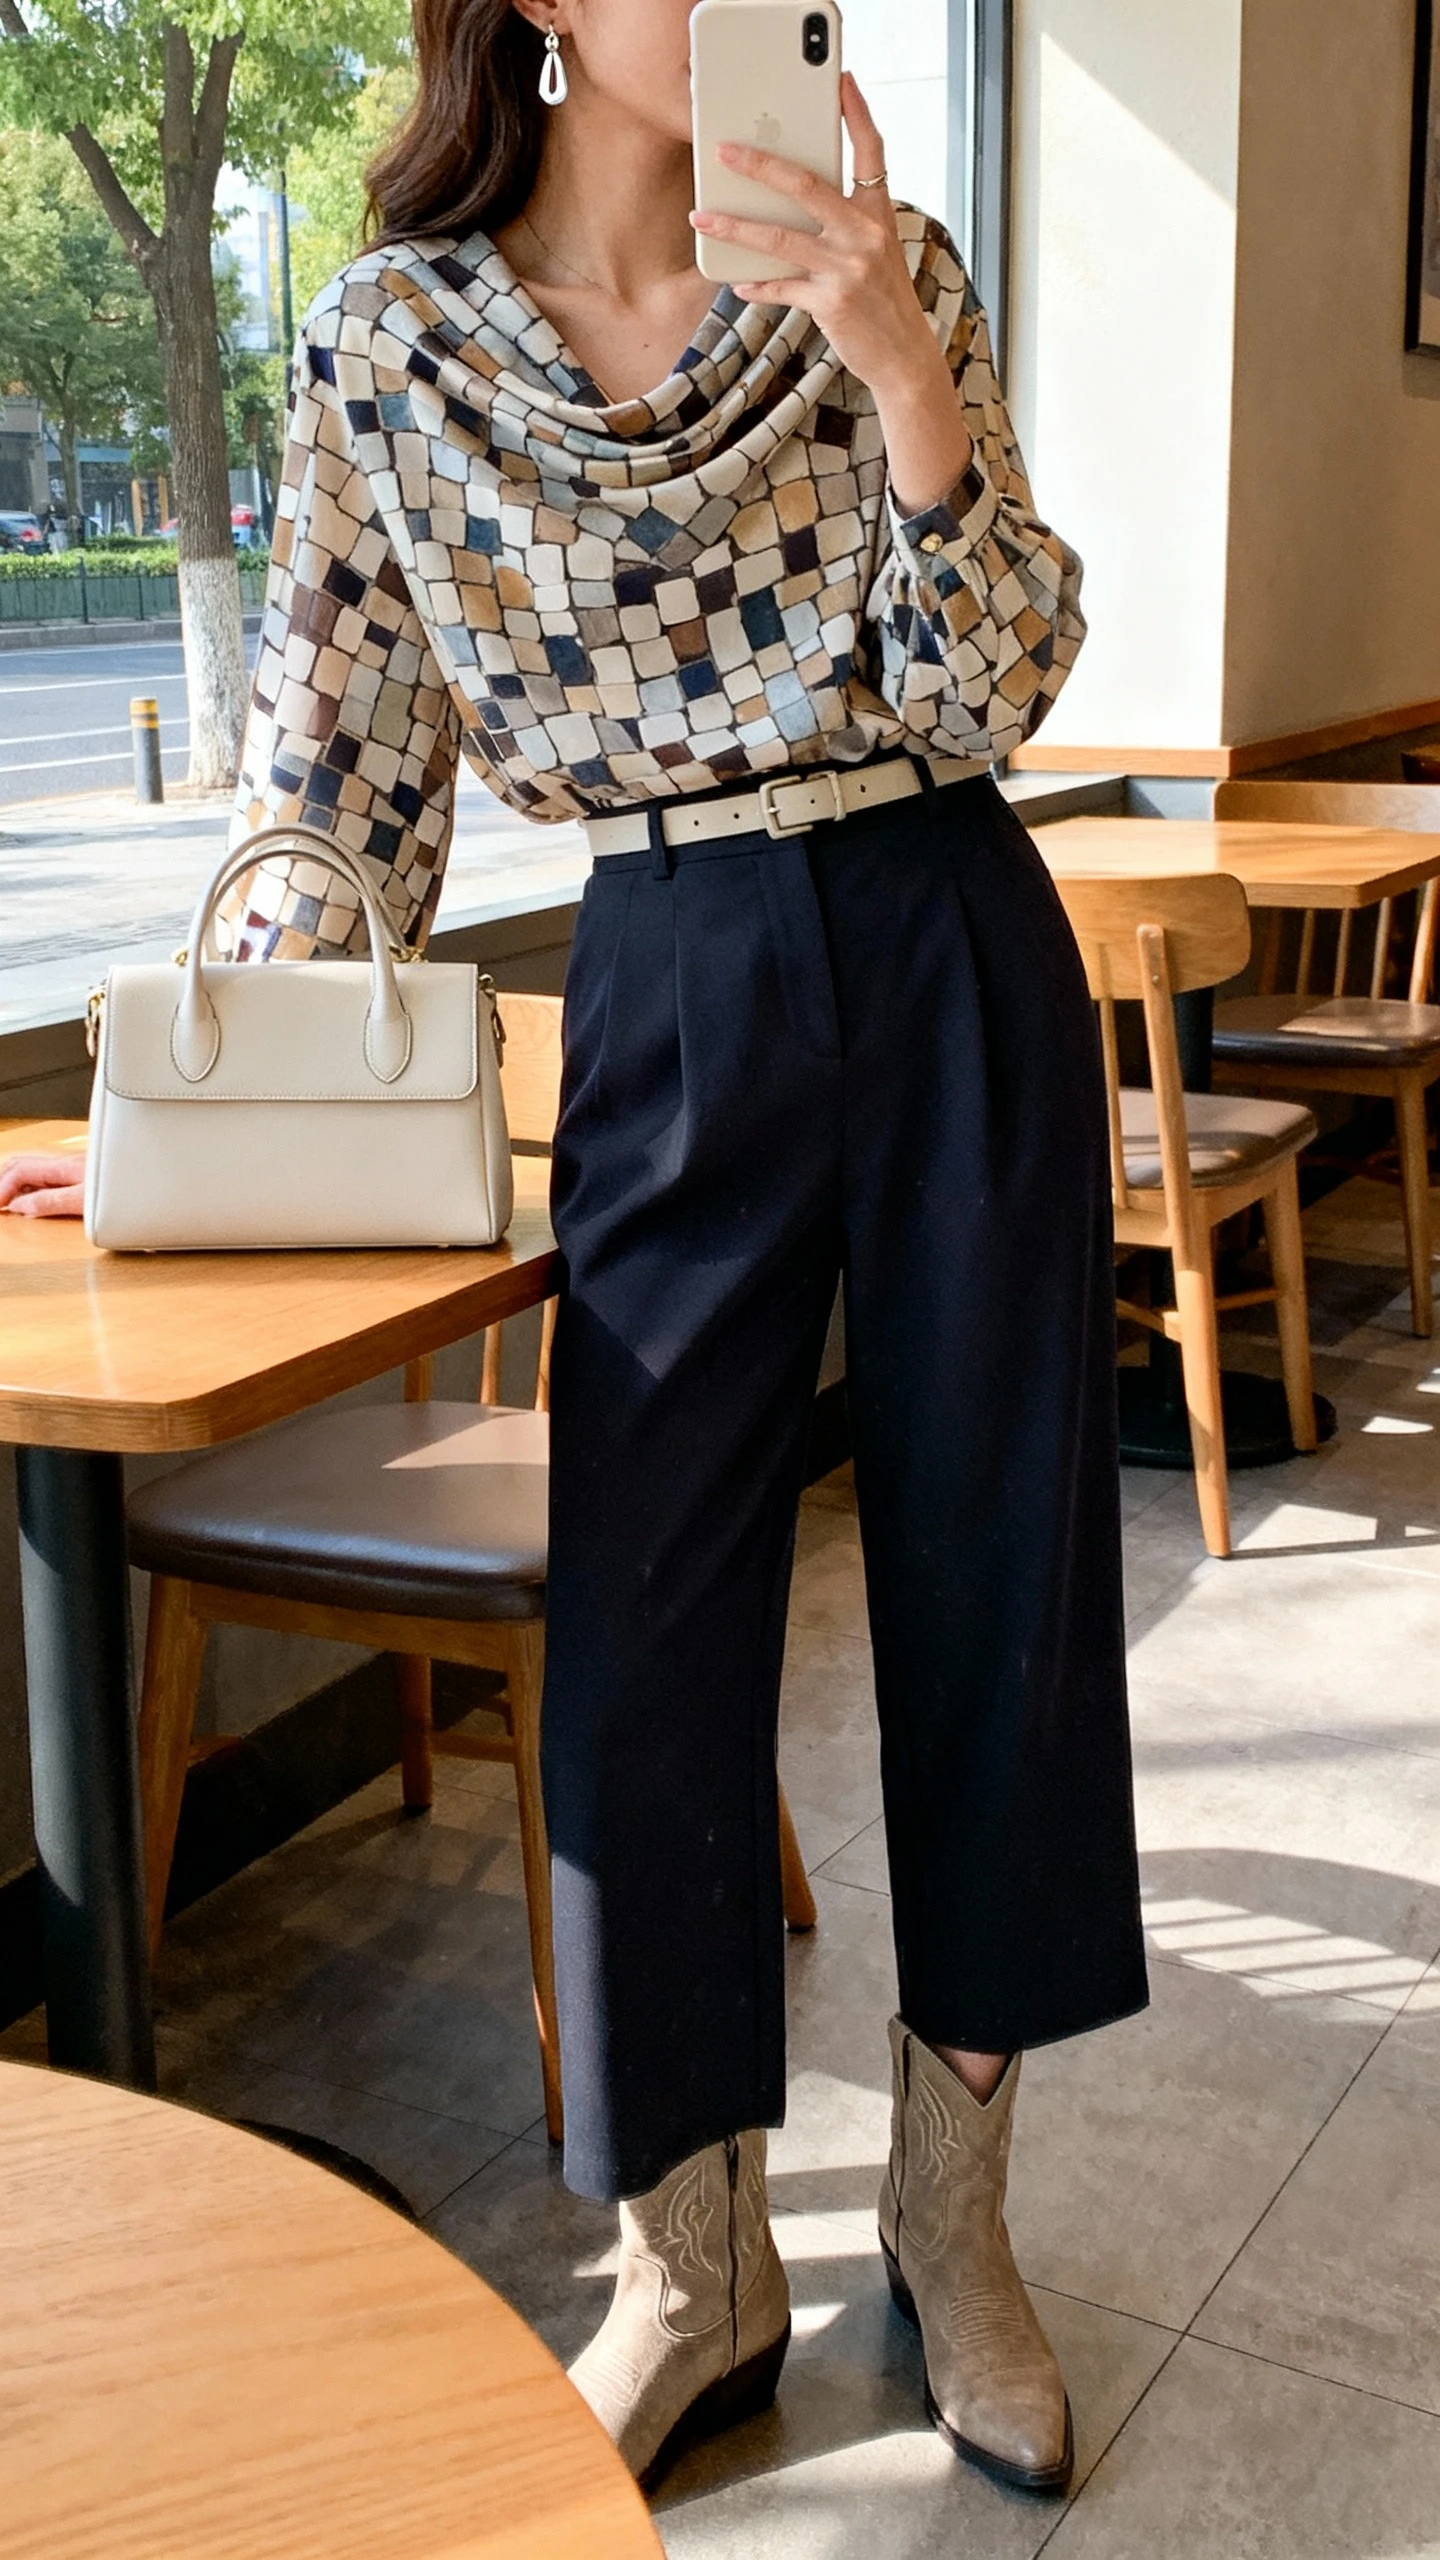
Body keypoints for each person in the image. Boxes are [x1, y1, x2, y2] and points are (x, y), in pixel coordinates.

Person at [0, 0, 1147, 2499]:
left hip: (949, 923)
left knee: (999, 1593)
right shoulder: (394, 345)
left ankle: (958, 2222)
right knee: (641, 1625)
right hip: (667, 971)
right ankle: (693, 2255)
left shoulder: (886, 260)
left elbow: (1012, 669)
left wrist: (894, 356)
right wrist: (205, 1087)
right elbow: (339, 758)